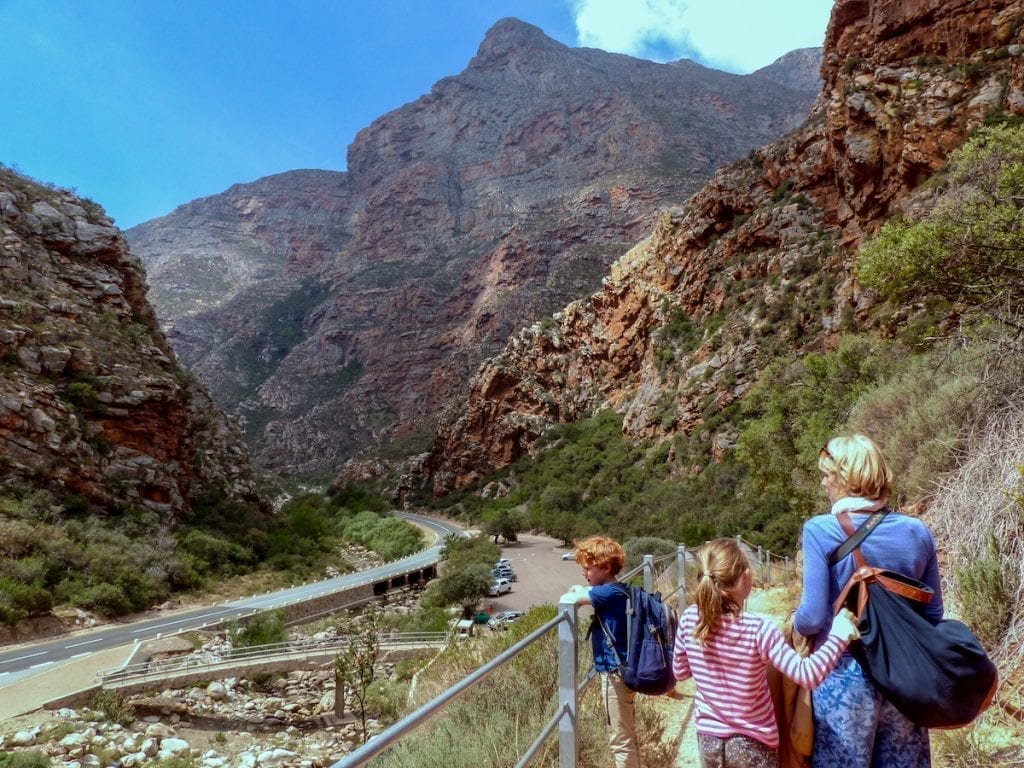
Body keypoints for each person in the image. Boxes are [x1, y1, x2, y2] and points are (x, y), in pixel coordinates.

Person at [794, 434, 943, 768]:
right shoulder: (917, 531)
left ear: (846, 478)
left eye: (827, 475)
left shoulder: (821, 530)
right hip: (905, 676)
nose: (823, 483)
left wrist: (794, 623)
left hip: (843, 675)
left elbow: (812, 618)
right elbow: (934, 612)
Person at [673, 538, 860, 768]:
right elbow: (808, 675)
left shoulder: (689, 619)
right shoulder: (758, 629)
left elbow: (680, 672)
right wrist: (839, 634)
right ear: (746, 578)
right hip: (753, 744)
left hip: (709, 740)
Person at [565, 535, 640, 768]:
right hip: (622, 671)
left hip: (614, 674)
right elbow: (582, 591)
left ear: (606, 568)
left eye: (588, 569)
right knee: (626, 732)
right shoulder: (616, 590)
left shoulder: (607, 593)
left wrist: (578, 591)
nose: (584, 574)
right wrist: (583, 589)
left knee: (620, 740)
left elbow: (572, 596)